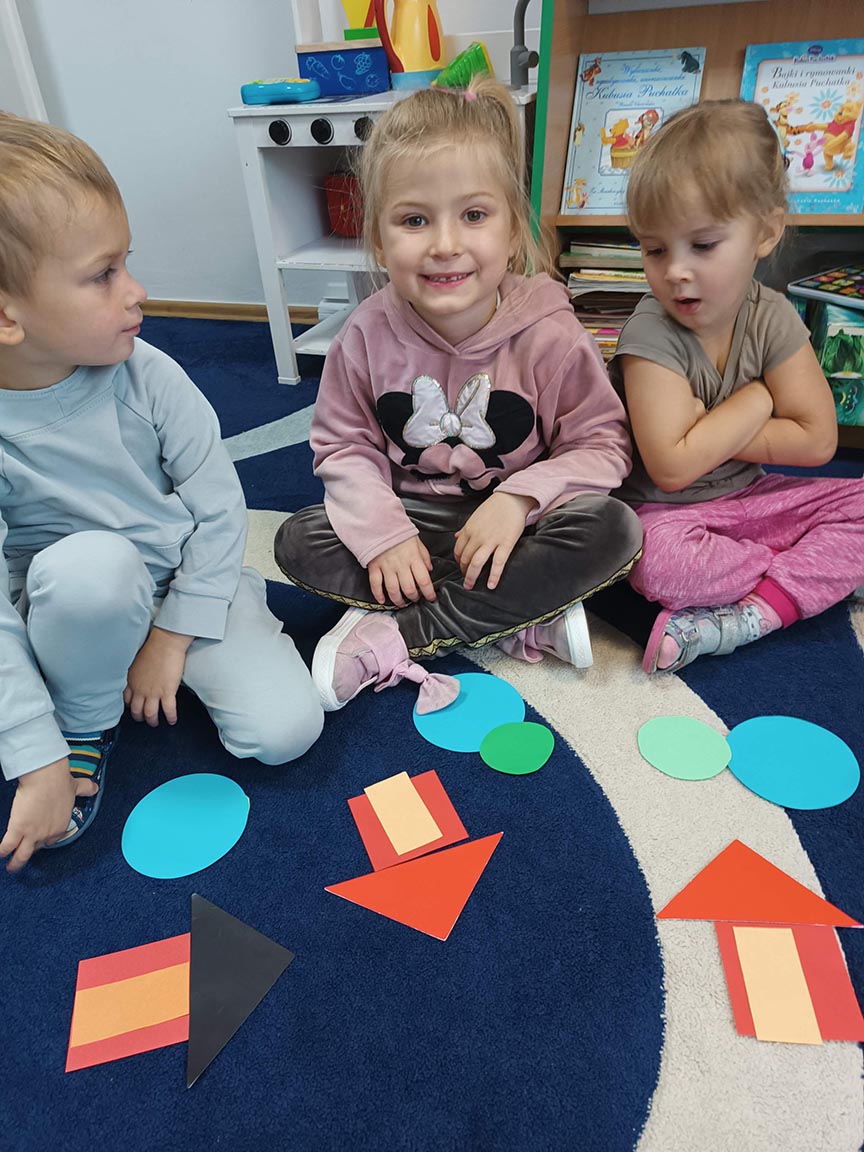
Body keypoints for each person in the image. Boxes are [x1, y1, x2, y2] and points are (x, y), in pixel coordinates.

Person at [0, 113, 323, 873]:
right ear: (7, 316)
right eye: (102, 275)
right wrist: (38, 756)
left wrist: (173, 635)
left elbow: (219, 510)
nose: (138, 291)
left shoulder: (149, 376)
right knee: (93, 571)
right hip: (71, 608)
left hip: (184, 582)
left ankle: (127, 671)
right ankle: (86, 718)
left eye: (128, 263)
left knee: (286, 731)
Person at [275, 76, 642, 713]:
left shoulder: (551, 334)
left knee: (612, 528)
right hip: (413, 520)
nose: (445, 245)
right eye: (415, 220)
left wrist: (518, 499)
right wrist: (385, 536)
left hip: (517, 527)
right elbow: (343, 448)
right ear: (379, 239)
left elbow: (603, 446)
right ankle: (520, 615)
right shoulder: (363, 335)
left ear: (512, 228)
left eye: (473, 215)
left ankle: (400, 630)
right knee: (299, 539)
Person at [607, 99, 864, 674]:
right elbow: (672, 467)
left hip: (752, 500)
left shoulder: (772, 315)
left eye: (702, 245)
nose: (675, 271)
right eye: (654, 249)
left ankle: (755, 610)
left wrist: (709, 428)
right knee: (658, 565)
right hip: (667, 515)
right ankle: (800, 580)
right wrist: (759, 399)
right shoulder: (650, 331)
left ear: (766, 231)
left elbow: (818, 441)